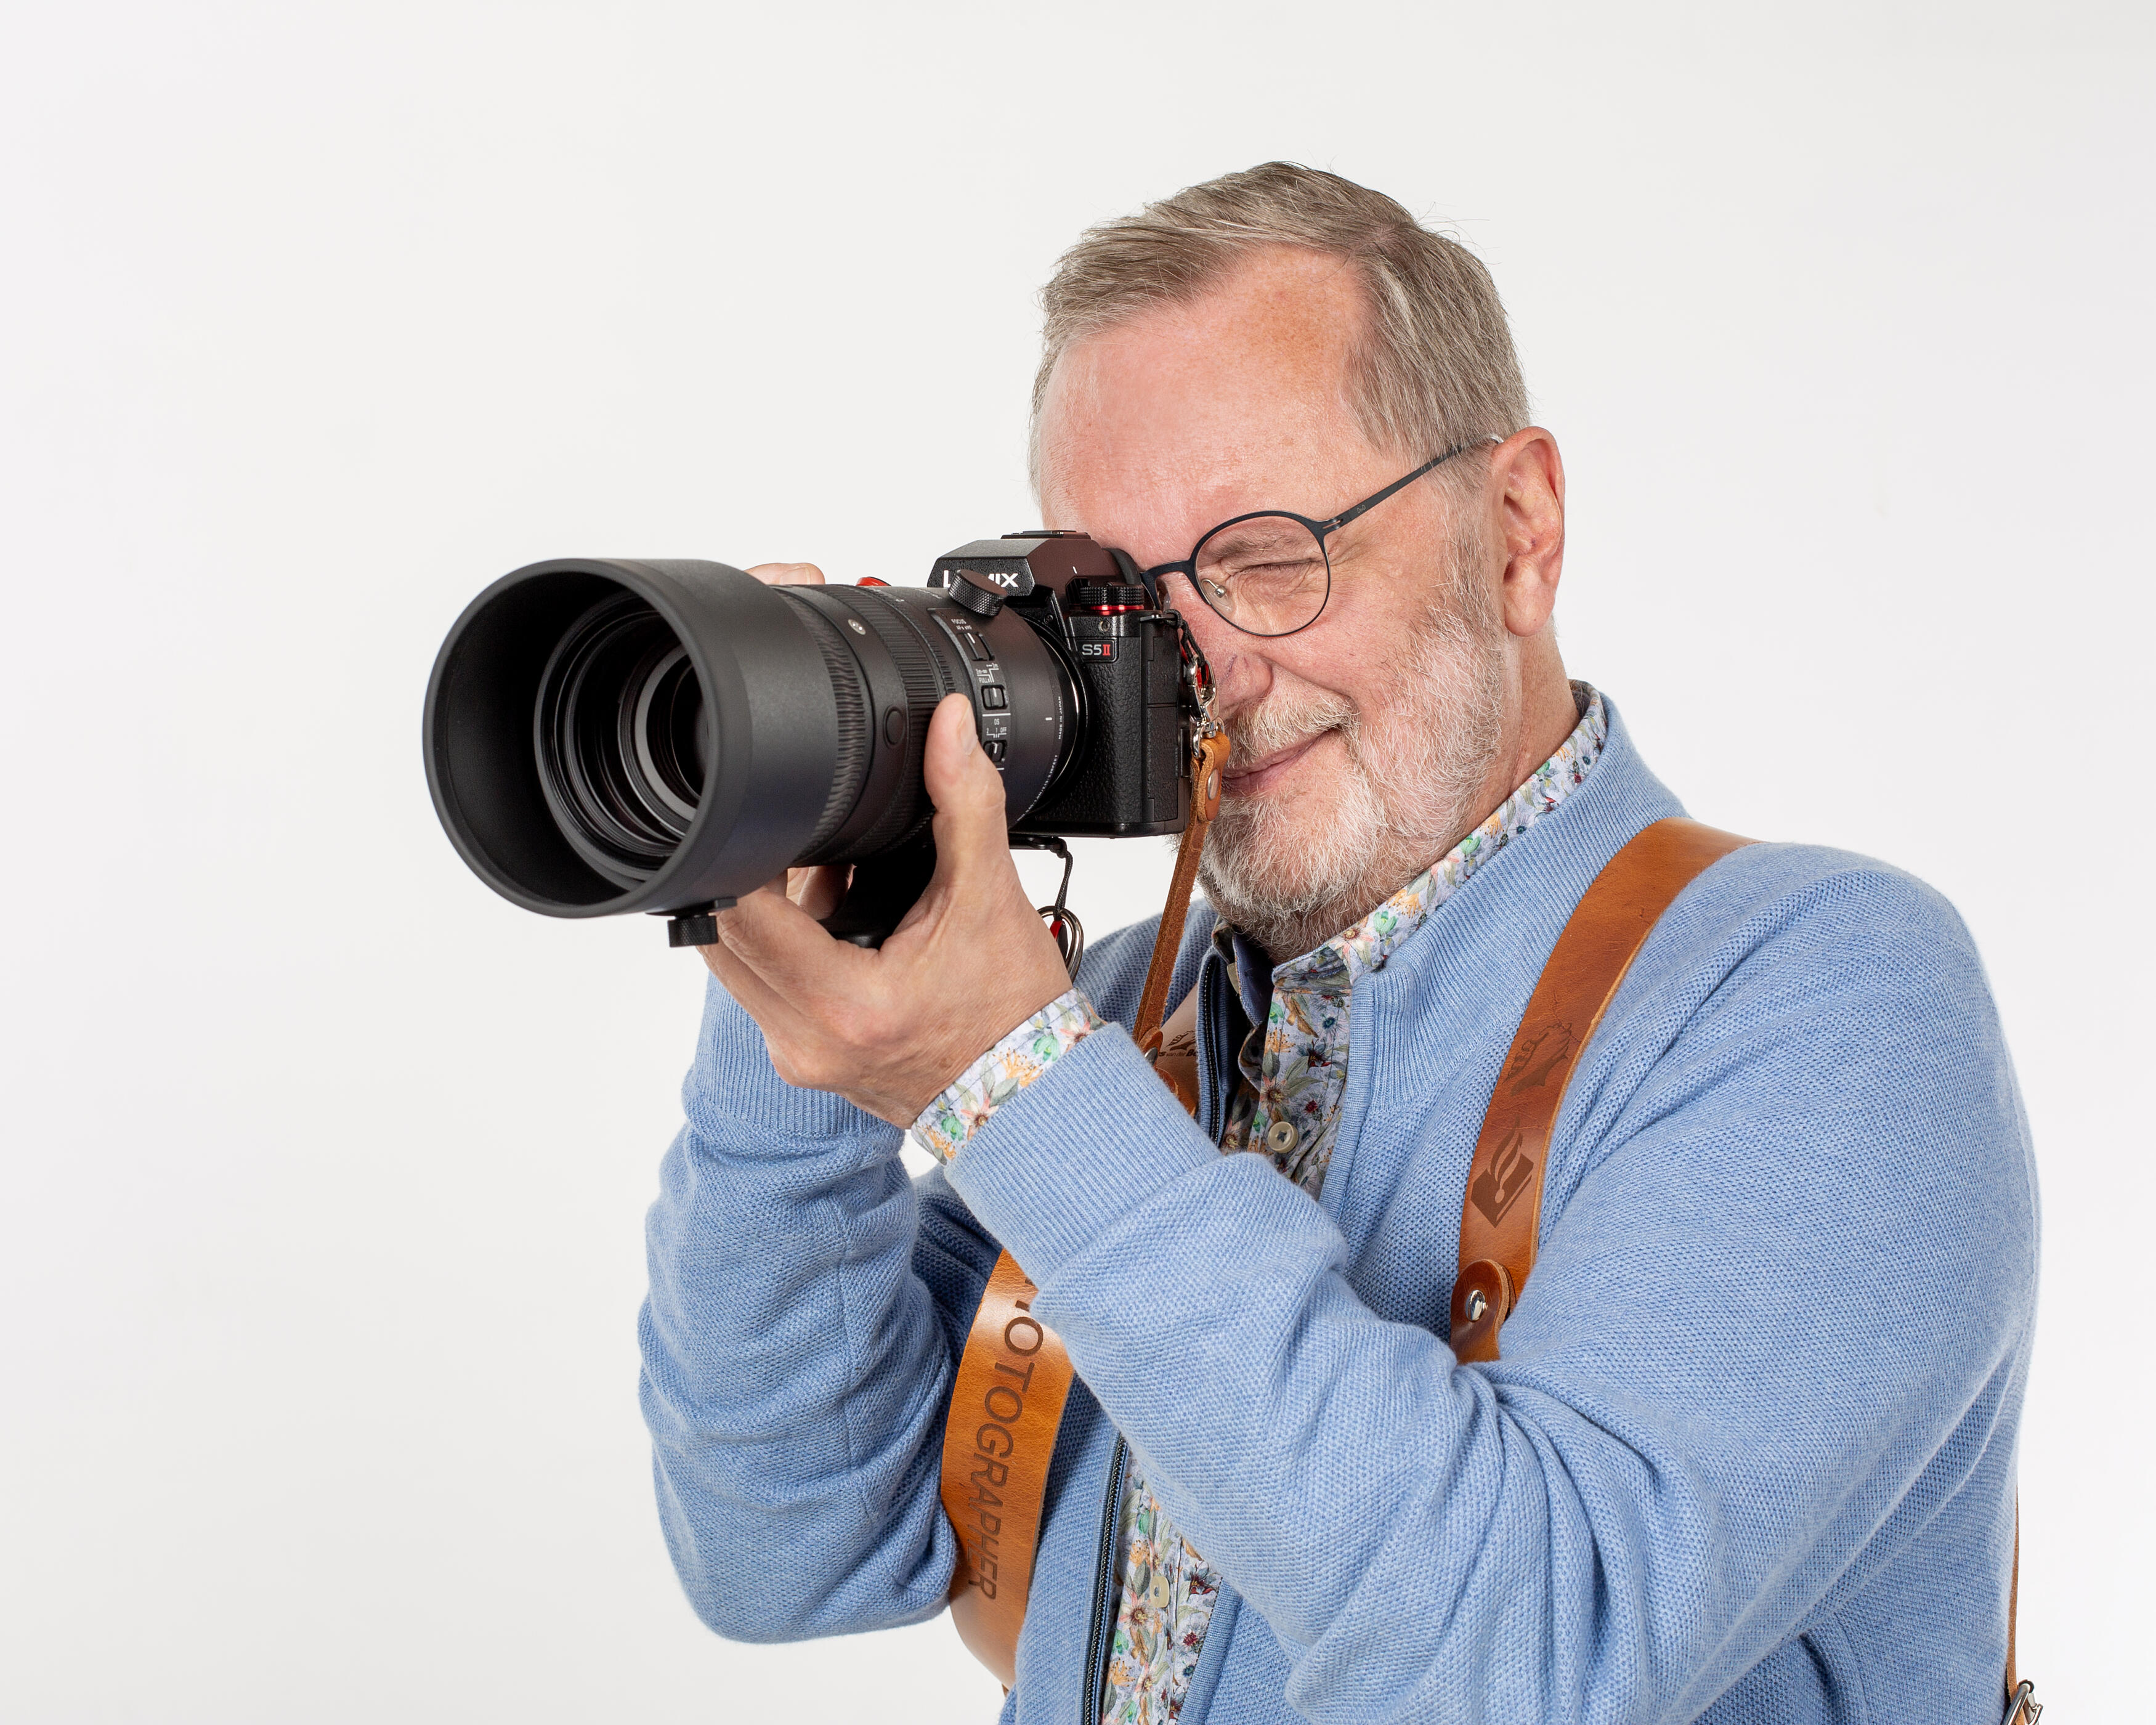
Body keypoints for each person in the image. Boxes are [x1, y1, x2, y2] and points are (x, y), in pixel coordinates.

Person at [637, 163, 2036, 1724]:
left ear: (1517, 529)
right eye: (1124, 601)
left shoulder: (1817, 992)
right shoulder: (1123, 1027)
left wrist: (1014, 1081)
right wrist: (804, 918)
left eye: (1266, 552)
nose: (1207, 674)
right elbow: (788, 1543)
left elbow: (1533, 1657)